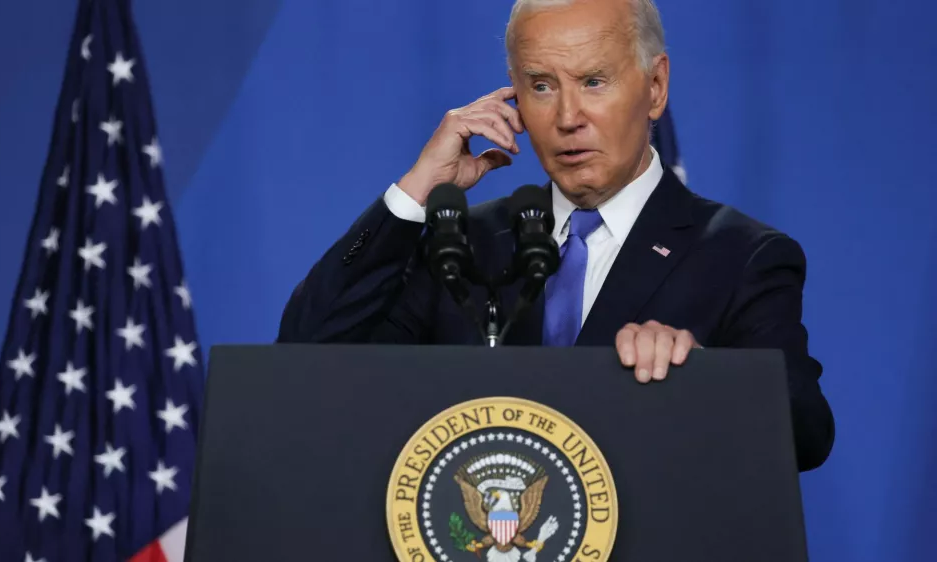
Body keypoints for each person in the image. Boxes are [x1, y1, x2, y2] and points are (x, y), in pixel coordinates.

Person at [277, 0, 834, 471]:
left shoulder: (740, 255)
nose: (568, 116)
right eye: (541, 86)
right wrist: (419, 189)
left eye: (594, 81)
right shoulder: (458, 244)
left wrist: (704, 375)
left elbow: (806, 433)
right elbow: (305, 358)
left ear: (656, 87)